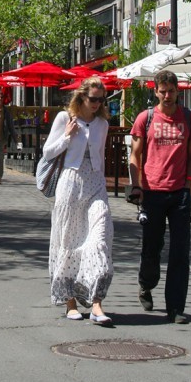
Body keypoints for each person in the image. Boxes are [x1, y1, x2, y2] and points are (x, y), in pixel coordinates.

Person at [129, 69, 191, 325]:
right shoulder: (145, 118)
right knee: (152, 248)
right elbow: (135, 156)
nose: (167, 96)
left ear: (177, 91)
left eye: (171, 91)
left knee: (181, 251)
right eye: (163, 91)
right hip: (152, 191)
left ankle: (176, 307)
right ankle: (146, 285)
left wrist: (189, 183)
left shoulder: (189, 119)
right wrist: (136, 186)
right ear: (156, 91)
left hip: (179, 191)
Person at [41, 77, 114, 326]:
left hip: (95, 183)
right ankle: (70, 301)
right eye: (92, 99)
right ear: (81, 97)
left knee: (100, 238)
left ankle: (96, 303)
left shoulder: (103, 124)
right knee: (69, 241)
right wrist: (67, 137)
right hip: (70, 184)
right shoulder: (65, 119)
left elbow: (101, 157)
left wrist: (103, 184)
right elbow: (48, 152)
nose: (96, 103)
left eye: (101, 100)